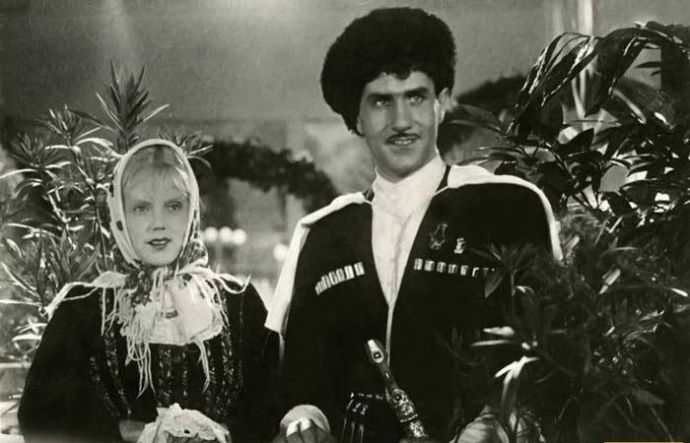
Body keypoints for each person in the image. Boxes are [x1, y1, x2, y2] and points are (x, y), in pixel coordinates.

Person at [266, 7, 562, 443]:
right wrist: (304, 420)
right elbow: (302, 380)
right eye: (381, 101)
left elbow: (550, 360)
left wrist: (495, 426)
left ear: (443, 102)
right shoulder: (324, 234)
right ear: (356, 118)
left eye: (416, 97)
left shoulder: (509, 208)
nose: (401, 121)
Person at [18, 139, 278, 443]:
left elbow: (272, 408)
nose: (158, 224)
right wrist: (130, 432)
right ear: (120, 215)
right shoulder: (82, 311)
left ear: (192, 211)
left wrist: (221, 435)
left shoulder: (239, 305)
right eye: (141, 208)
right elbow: (40, 418)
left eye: (173, 206)